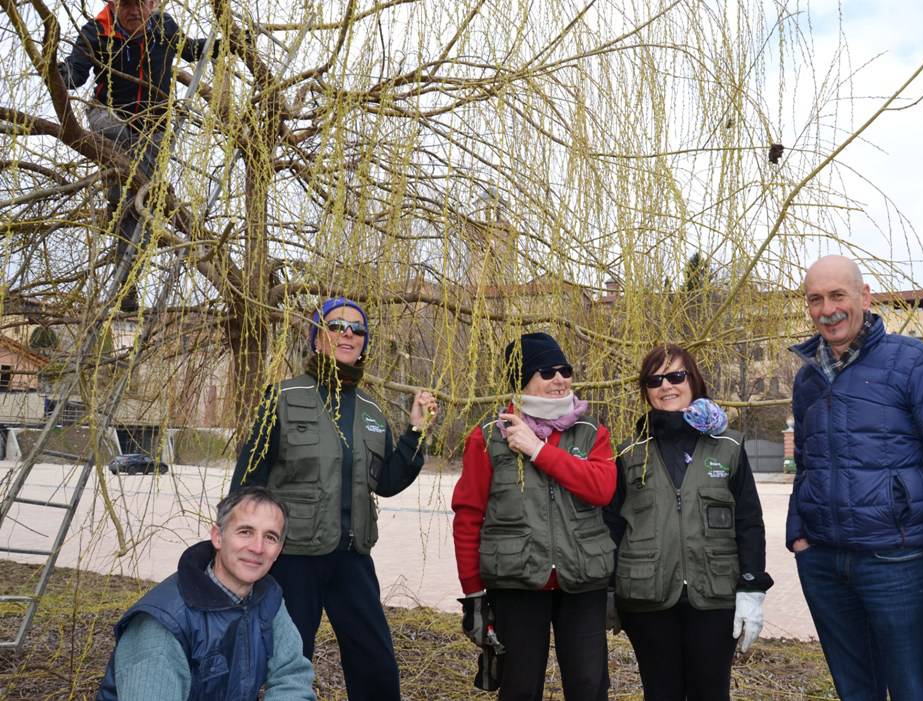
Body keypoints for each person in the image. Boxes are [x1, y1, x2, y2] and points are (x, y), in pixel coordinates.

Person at [787, 255, 923, 700]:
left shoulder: (911, 362)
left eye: (838, 295)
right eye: (815, 299)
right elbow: (806, 462)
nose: (827, 309)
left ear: (864, 297)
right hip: (825, 564)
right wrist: (799, 533)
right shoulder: (808, 379)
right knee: (855, 691)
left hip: (897, 564)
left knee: (912, 689)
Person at [230, 296, 436, 701]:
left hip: (352, 557)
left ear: (365, 344)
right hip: (293, 559)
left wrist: (416, 432)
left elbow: (387, 481)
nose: (348, 334)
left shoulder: (373, 410)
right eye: (337, 325)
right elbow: (249, 480)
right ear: (317, 337)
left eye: (357, 329)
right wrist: (238, 546)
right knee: (287, 661)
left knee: (376, 663)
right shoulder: (283, 398)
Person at [452, 332, 617, 701]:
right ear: (521, 380)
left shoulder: (592, 433)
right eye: (546, 371)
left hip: (582, 581)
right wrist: (474, 593)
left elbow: (601, 488)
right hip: (517, 582)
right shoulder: (487, 437)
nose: (560, 379)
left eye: (565, 370)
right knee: (519, 688)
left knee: (590, 687)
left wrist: (538, 450)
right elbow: (469, 517)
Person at [604, 344, 773, 701]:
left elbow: (748, 522)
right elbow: (612, 526)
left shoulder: (728, 447)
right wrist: (607, 591)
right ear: (646, 391)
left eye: (676, 376)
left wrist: (752, 588)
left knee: (710, 693)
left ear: (693, 380)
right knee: (660, 692)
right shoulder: (628, 453)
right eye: (655, 380)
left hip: (714, 597)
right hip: (647, 599)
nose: (666, 386)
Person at [57, 0, 219, 311]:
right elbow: (76, 74)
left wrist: (220, 43)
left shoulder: (162, 26)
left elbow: (189, 50)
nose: (132, 10)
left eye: (138, 3)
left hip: (154, 128)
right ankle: (118, 196)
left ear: (151, 3)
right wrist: (55, 72)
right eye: (125, 3)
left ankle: (127, 284)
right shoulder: (97, 31)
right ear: (114, 4)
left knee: (140, 205)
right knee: (121, 147)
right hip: (110, 117)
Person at [96, 486, 314, 700]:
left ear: (279, 550)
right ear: (218, 537)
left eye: (270, 537)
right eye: (245, 532)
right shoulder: (162, 626)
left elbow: (291, 675)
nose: (257, 548)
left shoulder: (267, 598)